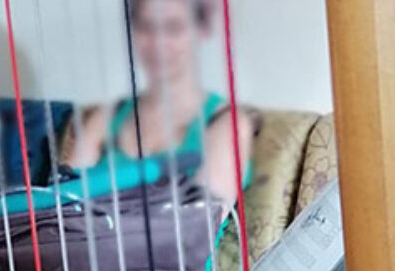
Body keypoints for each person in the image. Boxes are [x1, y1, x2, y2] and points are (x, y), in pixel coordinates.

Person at [66, 0, 254, 206]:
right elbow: (58, 202)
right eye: (146, 27)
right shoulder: (107, 117)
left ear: (201, 31)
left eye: (173, 28)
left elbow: (200, 225)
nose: (157, 43)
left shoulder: (227, 125)